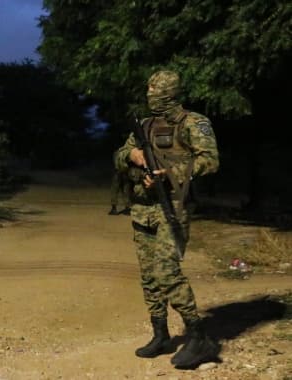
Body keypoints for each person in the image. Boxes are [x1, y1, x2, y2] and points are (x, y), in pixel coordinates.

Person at [114, 70, 220, 369]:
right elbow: (119, 155)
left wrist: (170, 173)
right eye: (147, 87)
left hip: (173, 207)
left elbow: (210, 161)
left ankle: (199, 337)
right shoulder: (144, 125)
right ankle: (160, 334)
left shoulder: (193, 123)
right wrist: (133, 157)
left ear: (168, 91)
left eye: (154, 88)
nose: (149, 93)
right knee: (149, 276)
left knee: (166, 272)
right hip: (142, 207)